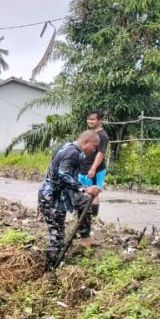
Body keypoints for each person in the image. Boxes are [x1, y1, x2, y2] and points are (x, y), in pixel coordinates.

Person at [38, 131, 102, 270]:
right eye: (94, 146)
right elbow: (63, 176)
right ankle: (49, 272)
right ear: (86, 142)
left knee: (84, 201)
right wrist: (85, 189)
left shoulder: (68, 147)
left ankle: (85, 237)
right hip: (52, 199)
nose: (94, 150)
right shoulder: (72, 153)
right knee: (57, 238)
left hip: (61, 194)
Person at [77, 111, 110, 244]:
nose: (90, 121)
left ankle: (92, 217)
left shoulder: (103, 136)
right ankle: (84, 215)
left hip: (94, 169)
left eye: (93, 119)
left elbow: (101, 153)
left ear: (100, 120)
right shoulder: (89, 134)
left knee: (94, 192)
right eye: (88, 119)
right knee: (83, 190)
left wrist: (93, 168)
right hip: (84, 167)